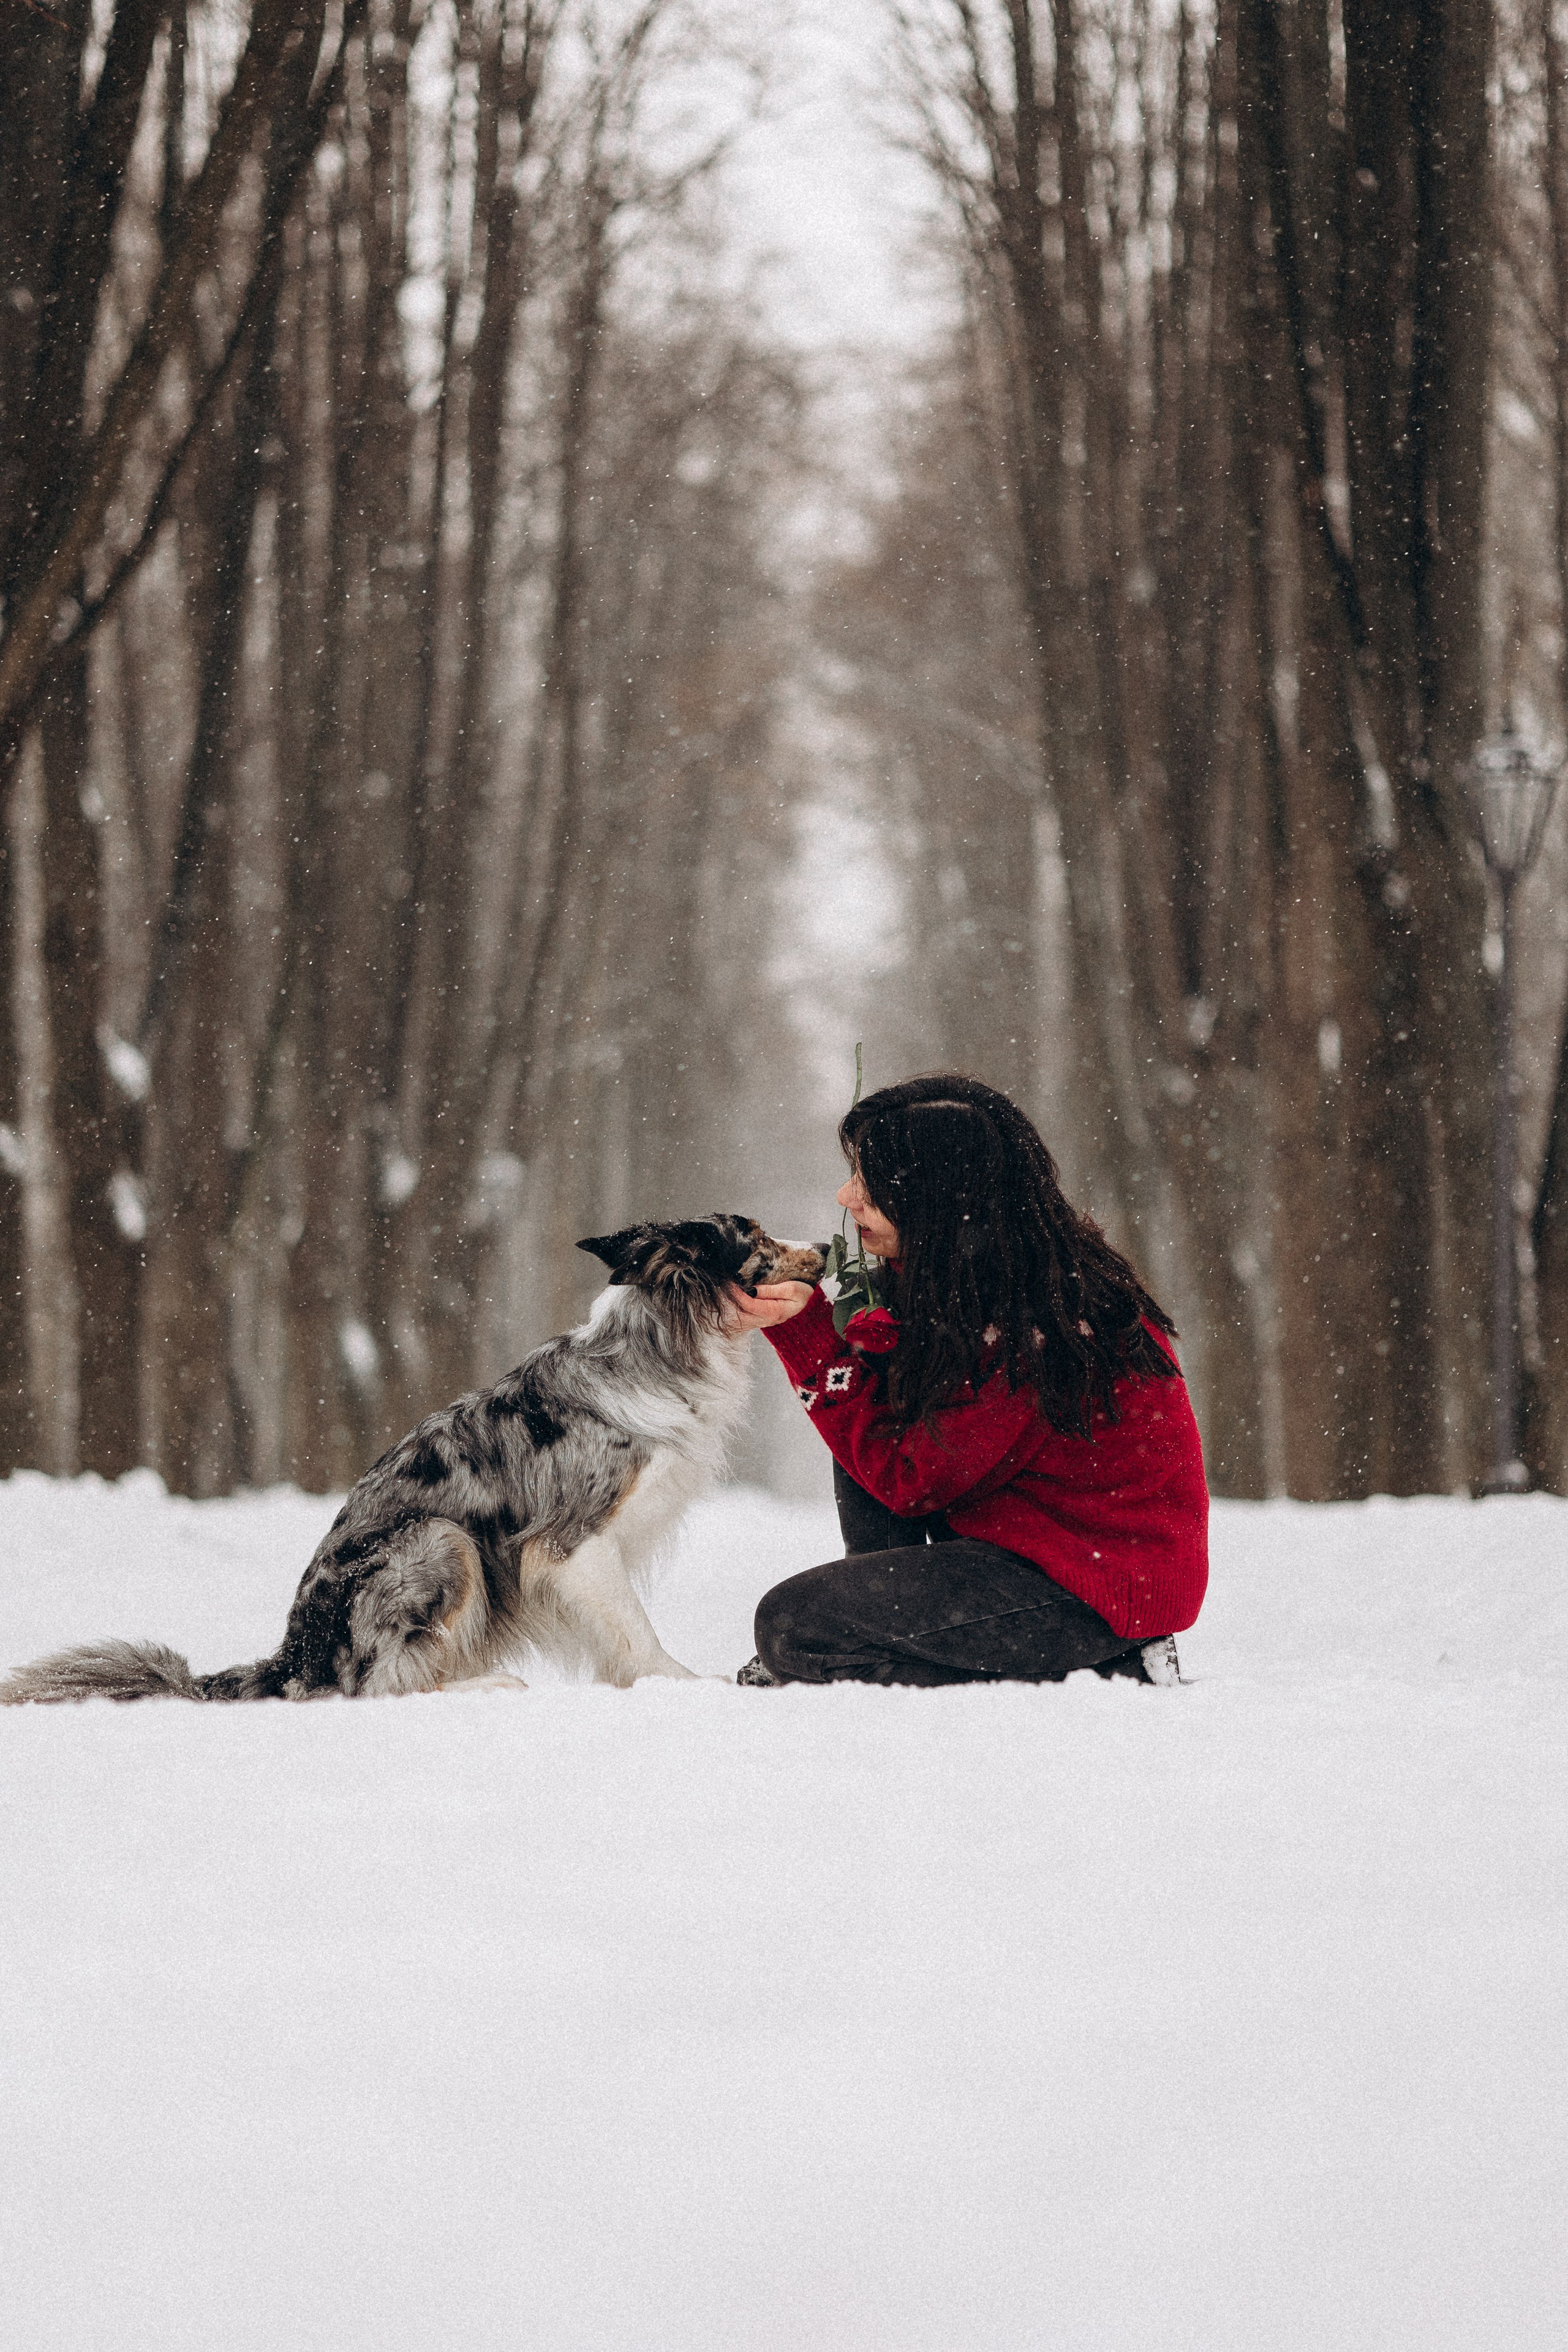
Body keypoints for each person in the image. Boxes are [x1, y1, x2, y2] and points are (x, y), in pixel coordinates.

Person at [729, 1074, 1208, 1686]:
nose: (846, 1196)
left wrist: (812, 1341)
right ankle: (869, 1641)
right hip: (1023, 1554)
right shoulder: (976, 1279)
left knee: (791, 1624)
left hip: (1090, 1591)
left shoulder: (1045, 1325)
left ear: (934, 1193)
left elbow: (909, 1480)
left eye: (870, 1182)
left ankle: (1111, 1664)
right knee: (873, 1411)